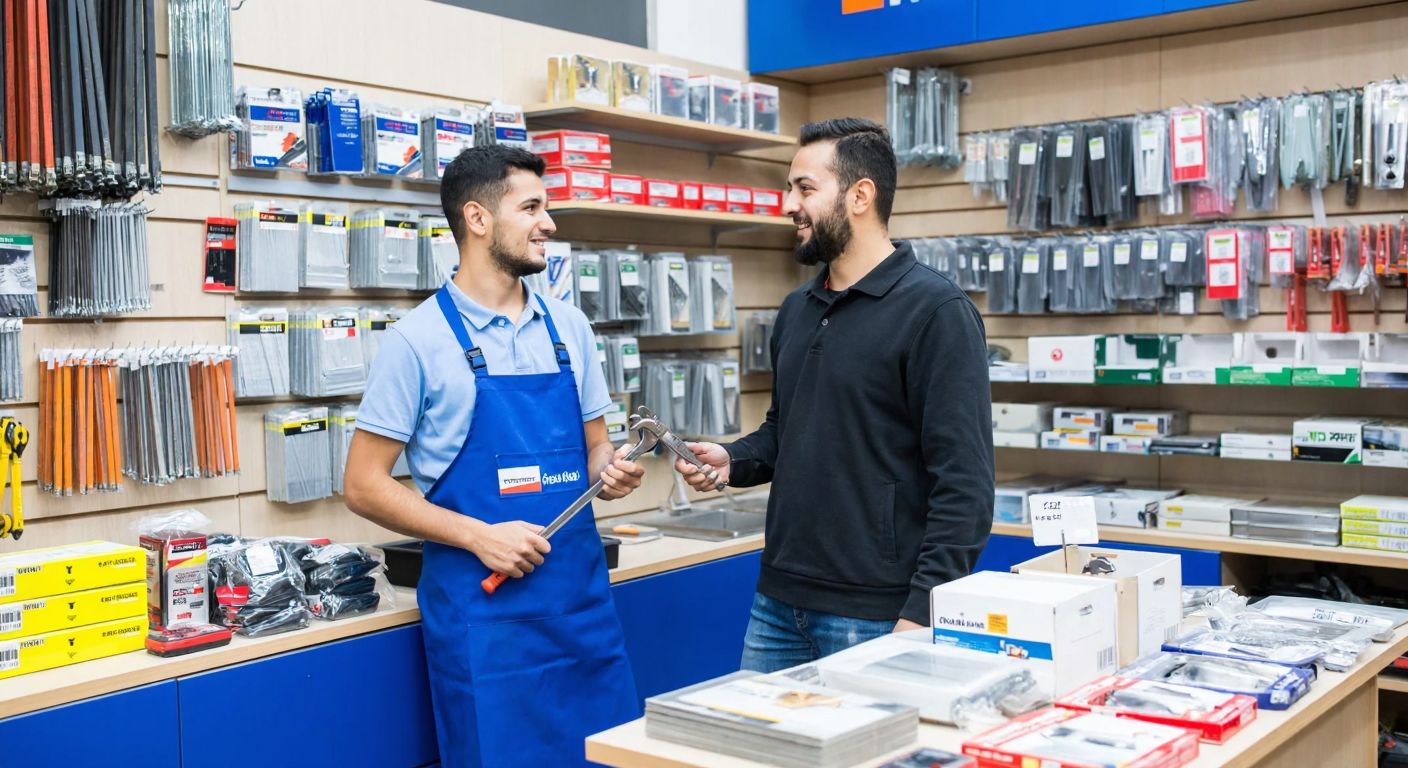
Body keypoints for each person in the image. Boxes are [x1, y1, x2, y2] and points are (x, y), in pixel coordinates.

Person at [344, 144, 645, 767]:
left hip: (582, 613)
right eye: (531, 206)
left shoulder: (571, 329)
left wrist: (610, 471)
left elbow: (594, 448)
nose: (549, 223)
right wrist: (480, 536)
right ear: (478, 220)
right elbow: (365, 485)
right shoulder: (416, 342)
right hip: (485, 628)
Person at [675, 117, 994, 672]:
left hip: (875, 612)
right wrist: (734, 459)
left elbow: (964, 485)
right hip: (778, 602)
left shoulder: (936, 313)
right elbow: (787, 427)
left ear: (860, 196)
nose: (789, 205)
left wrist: (922, 612)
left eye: (805, 188)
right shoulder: (798, 308)